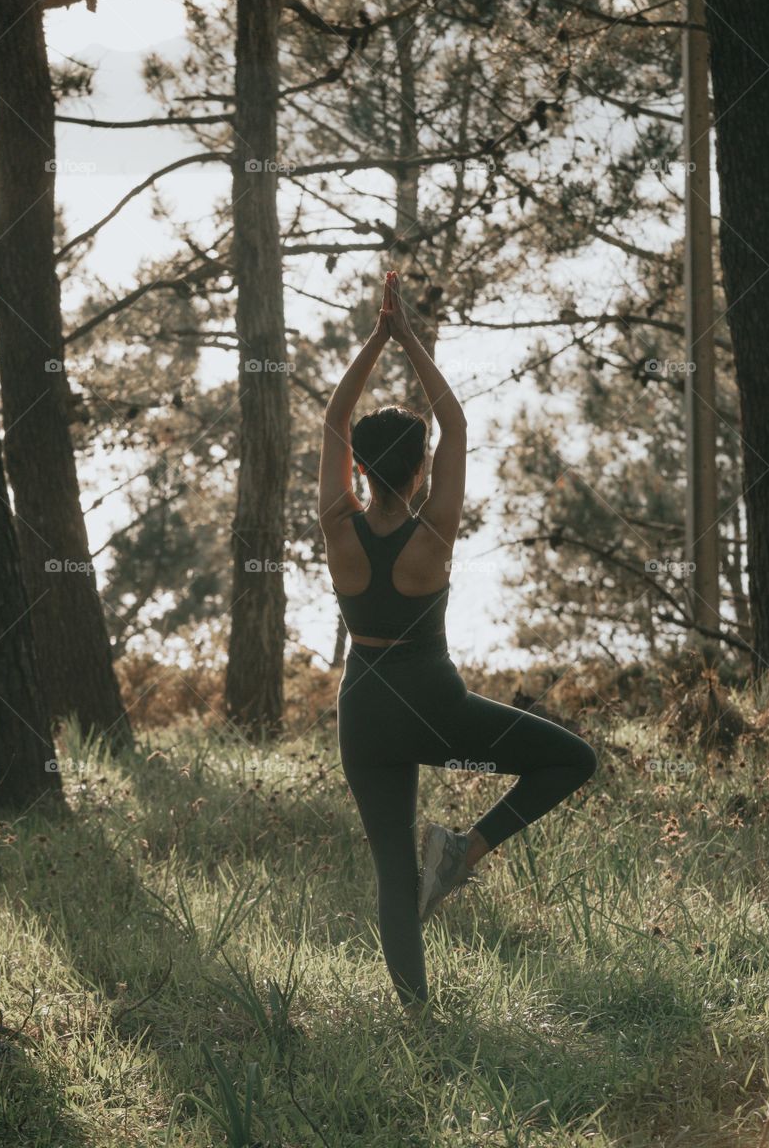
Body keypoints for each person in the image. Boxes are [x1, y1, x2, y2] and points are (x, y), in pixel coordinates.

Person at [318, 270, 597, 1018]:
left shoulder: (337, 526)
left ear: (357, 468)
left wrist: (374, 342)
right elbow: (457, 425)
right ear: (419, 469)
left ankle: (416, 1017)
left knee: (390, 871)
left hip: (363, 710)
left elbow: (333, 419)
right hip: (433, 704)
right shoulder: (433, 532)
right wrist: (407, 336)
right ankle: (464, 851)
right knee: (572, 759)